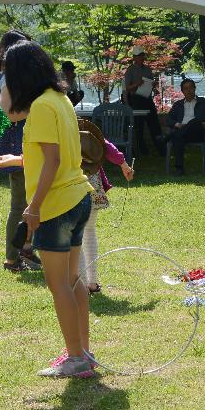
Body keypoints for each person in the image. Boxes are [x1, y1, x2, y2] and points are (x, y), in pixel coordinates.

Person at [0, 40, 96, 378]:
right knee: (72, 279)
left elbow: (53, 161)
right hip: (77, 198)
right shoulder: (59, 100)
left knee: (57, 282)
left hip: (57, 205)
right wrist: (17, 158)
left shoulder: (43, 107)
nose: (7, 83)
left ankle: (77, 359)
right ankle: (81, 352)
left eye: (8, 75)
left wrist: (33, 207)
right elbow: (56, 155)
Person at [0, 29, 41, 273]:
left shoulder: (10, 75)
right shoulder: (7, 77)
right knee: (20, 204)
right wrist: (38, 109)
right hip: (18, 147)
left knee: (30, 201)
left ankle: (27, 250)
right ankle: (12, 258)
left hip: (23, 146)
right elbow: (6, 114)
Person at [79, 121, 135, 294]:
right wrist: (124, 164)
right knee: (88, 231)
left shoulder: (60, 131)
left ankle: (82, 284)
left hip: (71, 184)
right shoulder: (86, 133)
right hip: (92, 184)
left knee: (76, 235)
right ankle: (91, 283)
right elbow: (107, 147)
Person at [165, 79, 205, 175]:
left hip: (197, 132)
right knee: (178, 137)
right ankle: (180, 169)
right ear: (182, 91)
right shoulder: (178, 105)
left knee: (194, 121)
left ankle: (167, 138)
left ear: (194, 89)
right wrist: (178, 124)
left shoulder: (204, 102)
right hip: (181, 133)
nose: (189, 90)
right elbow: (168, 120)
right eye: (186, 88)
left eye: (191, 88)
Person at [124, 45, 163, 157]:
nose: (141, 58)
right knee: (139, 125)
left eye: (142, 56)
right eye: (138, 56)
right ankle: (142, 150)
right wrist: (137, 84)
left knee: (154, 122)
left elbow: (150, 85)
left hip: (146, 97)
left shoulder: (147, 69)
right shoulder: (130, 70)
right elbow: (127, 88)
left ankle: (160, 147)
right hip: (136, 98)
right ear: (134, 57)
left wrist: (153, 84)